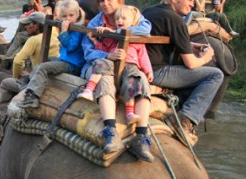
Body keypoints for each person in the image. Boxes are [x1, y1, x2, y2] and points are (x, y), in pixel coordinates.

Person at [78, 5, 155, 161]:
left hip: (130, 67)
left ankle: (141, 135)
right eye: (101, 1)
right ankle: (110, 130)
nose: (105, 3)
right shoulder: (96, 24)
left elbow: (144, 39)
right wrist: (108, 54)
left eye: (110, 0)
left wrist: (148, 70)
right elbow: (90, 52)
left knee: (139, 79)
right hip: (106, 65)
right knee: (105, 78)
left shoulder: (134, 16)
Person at [143, 0, 224, 146]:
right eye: (189, 0)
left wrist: (189, 45)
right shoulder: (175, 19)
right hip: (157, 72)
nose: (193, 5)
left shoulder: (150, 11)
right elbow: (191, 64)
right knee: (215, 75)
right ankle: (185, 120)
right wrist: (206, 57)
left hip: (141, 67)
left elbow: (161, 39)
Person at [18, 0, 86, 110]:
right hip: (64, 60)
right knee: (45, 61)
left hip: (72, 64)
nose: (67, 19)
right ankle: (30, 81)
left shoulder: (78, 29)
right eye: (64, 16)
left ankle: (33, 97)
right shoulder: (71, 27)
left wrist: (64, 31)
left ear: (77, 15)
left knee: (43, 67)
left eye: (71, 15)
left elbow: (70, 46)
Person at [0, 12, 59, 118]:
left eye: (28, 24)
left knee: (5, 83)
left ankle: (2, 116)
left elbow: (17, 61)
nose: (25, 26)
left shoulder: (33, 40)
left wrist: (16, 77)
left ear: (37, 25)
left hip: (38, 78)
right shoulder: (55, 33)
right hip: (53, 74)